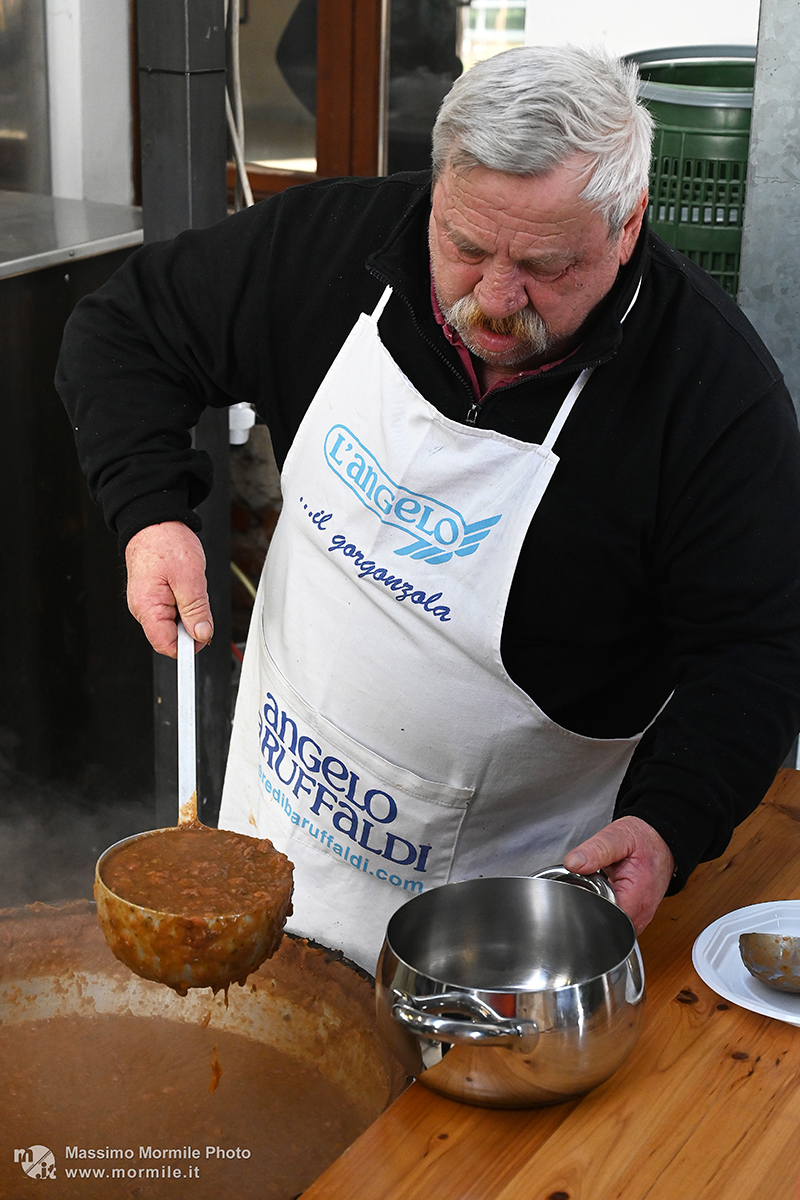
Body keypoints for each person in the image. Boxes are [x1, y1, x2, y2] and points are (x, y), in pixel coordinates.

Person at [57, 46, 800, 972]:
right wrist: (149, 513)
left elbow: (755, 654)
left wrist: (667, 825)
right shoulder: (340, 241)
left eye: (545, 265)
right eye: (467, 247)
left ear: (628, 226)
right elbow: (125, 330)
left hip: (498, 928)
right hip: (265, 839)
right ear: (439, 190)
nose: (495, 301)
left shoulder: (713, 400)